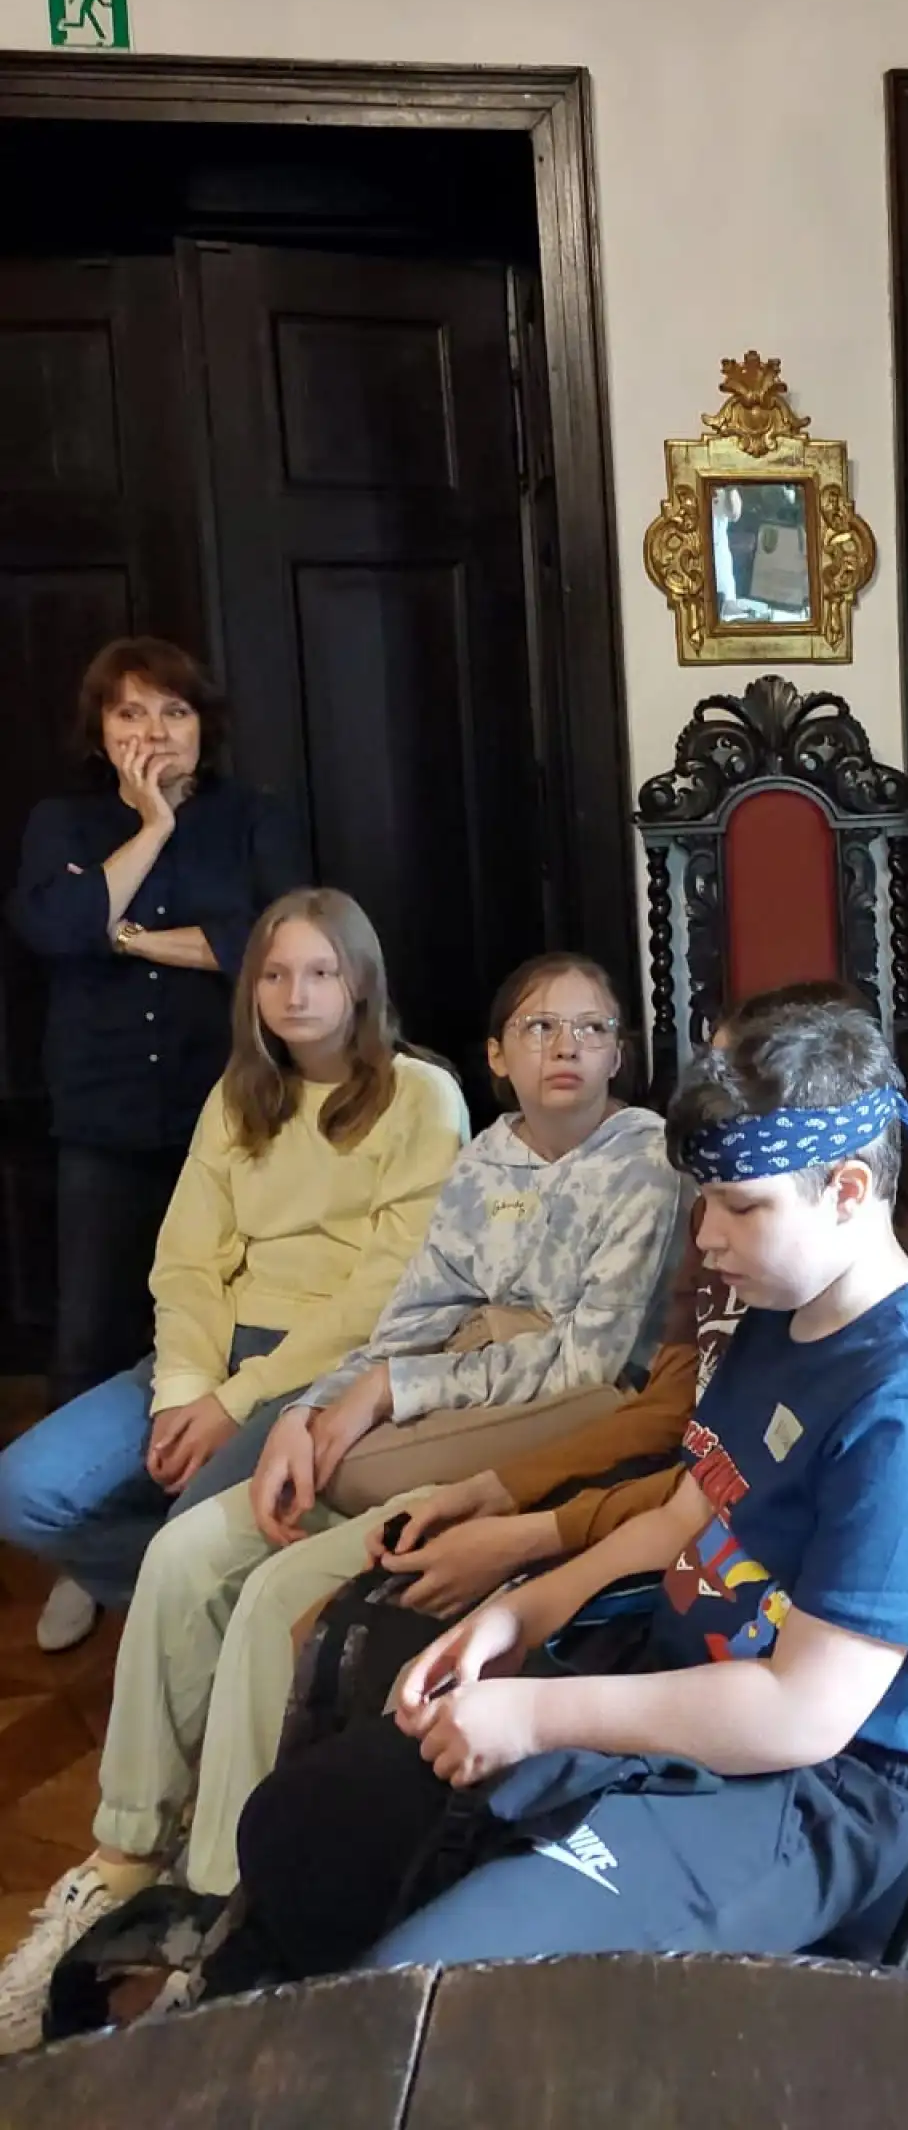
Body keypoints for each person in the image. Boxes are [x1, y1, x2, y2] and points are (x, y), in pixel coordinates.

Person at [226, 995, 908, 1984]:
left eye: (741, 1206)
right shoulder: (783, 1314)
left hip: (813, 1792)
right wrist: (519, 1613)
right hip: (675, 1677)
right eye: (705, 1200)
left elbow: (802, 1713)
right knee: (294, 1831)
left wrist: (534, 1716)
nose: (708, 1235)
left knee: (434, 1991)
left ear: (848, 1189)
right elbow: (689, 1512)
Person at [0, 951, 684, 2056]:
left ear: (621, 1053)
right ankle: (123, 1857)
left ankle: (219, 1911)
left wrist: (396, 1390)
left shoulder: (645, 1160)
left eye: (591, 1027)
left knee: (275, 1595)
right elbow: (409, 1316)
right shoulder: (486, 1156)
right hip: (421, 1403)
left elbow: (585, 1364)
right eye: (539, 1027)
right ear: (498, 1056)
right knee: (183, 1555)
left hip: (526, 1429)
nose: (566, 1046)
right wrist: (319, 1410)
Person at [0, 888, 466, 1650]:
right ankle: (219, 1611)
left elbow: (389, 1289)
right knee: (21, 1492)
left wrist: (236, 1401)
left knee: (190, 1544)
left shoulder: (421, 1093)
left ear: (360, 982)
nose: (295, 994)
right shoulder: (238, 1094)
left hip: (326, 1366)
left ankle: (214, 1625)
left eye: (320, 972)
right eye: (275, 975)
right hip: (216, 1348)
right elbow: (187, 1260)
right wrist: (185, 1389)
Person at [6, 636, 305, 1650]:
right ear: (100, 730)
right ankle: (85, 1558)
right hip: (100, 1113)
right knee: (89, 1329)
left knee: (227, 1316)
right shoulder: (63, 822)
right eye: (130, 712)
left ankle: (203, 1530)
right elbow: (54, 927)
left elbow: (265, 944)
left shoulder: (253, 816)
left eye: (172, 711)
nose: (153, 731)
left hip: (230, 1110)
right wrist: (152, 827)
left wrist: (122, 932)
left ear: (202, 725)